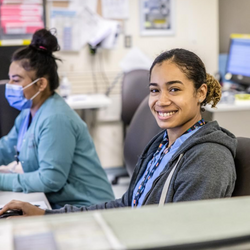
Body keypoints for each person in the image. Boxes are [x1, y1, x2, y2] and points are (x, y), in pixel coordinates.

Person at [0, 48, 236, 216]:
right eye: (154, 90)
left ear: (201, 92)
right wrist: (46, 215)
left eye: (174, 89)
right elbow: (127, 206)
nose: (161, 101)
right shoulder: (161, 144)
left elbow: (188, 239)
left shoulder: (208, 158)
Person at [0, 28, 114, 209]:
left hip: (88, 208)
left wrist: (2, 180)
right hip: (60, 205)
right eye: (10, 79)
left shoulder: (56, 118)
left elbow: (50, 179)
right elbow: (6, 148)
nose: (10, 85)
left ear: (41, 84)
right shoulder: (29, 113)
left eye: (16, 80)